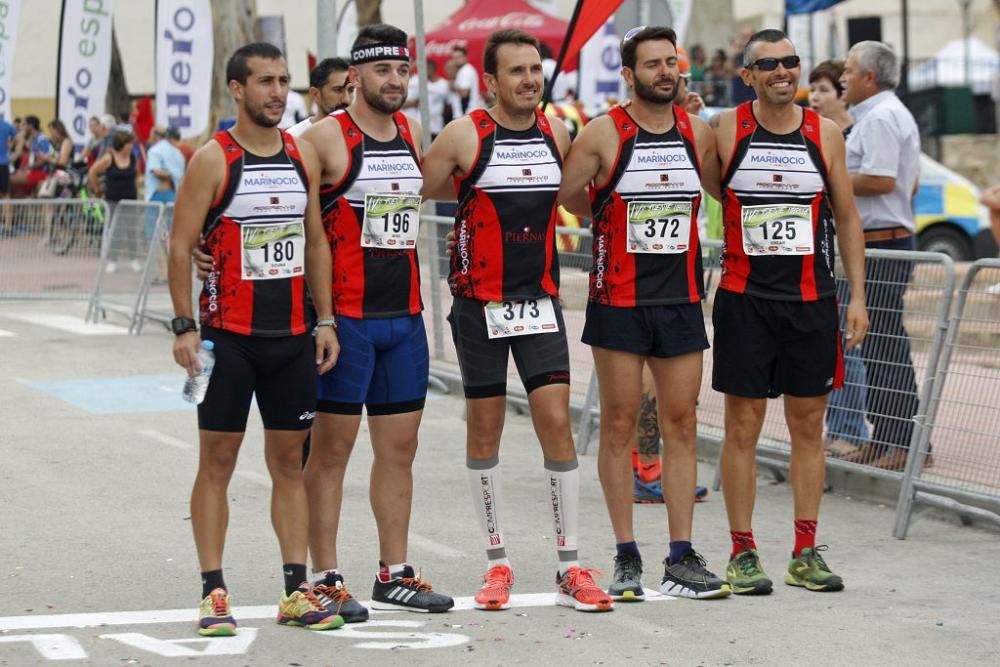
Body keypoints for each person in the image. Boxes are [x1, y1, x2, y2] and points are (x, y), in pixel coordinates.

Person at [422, 28, 613, 613]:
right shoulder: (463, 135)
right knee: (485, 431)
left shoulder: (557, 132)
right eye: (517, 71)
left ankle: (569, 564)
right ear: (491, 81)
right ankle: (497, 562)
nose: (530, 80)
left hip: (538, 301)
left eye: (536, 69)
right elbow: (406, 195)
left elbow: (582, 199)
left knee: (556, 422)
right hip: (479, 304)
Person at [167, 41, 341, 637]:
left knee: (289, 464)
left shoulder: (301, 154)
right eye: (264, 81)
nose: (277, 92)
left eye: (284, 80)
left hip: (291, 335)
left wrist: (325, 320)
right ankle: (214, 590)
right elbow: (179, 243)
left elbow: (314, 240)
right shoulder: (213, 159)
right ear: (237, 89)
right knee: (216, 461)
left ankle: (296, 591)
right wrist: (183, 326)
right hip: (226, 339)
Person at [557, 25, 728, 601]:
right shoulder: (603, 132)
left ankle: (680, 554)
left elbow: (723, 189)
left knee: (683, 424)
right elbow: (566, 195)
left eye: (670, 63)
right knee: (621, 425)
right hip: (619, 301)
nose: (664, 73)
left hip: (679, 298)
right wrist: (604, 213)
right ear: (629, 74)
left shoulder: (696, 132)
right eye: (651, 64)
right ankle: (626, 552)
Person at [299, 24, 454, 618]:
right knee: (331, 452)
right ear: (355, 76)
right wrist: (323, 320)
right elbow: (282, 211)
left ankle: (395, 571)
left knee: (400, 450)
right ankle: (325, 576)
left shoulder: (412, 132)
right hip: (347, 321)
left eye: (402, 71)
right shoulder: (324, 139)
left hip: (404, 319)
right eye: (382, 71)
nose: (395, 81)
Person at [712, 29, 868, 594]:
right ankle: (742, 551)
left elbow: (847, 217)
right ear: (748, 75)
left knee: (809, 427)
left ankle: (805, 551)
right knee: (743, 426)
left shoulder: (824, 132)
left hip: (812, 301)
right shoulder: (727, 128)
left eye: (791, 62)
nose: (783, 71)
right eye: (768, 64)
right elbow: (706, 188)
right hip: (745, 299)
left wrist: (858, 297)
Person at [839, 41, 921, 472]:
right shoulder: (878, 116)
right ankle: (886, 435)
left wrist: (833, 178)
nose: (842, 79)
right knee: (873, 342)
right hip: (878, 240)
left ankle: (905, 439)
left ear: (869, 77)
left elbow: (883, 180)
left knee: (886, 341)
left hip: (883, 242)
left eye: (849, 71)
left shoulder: (882, 118)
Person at [807, 60, 870, 461]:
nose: (815, 97)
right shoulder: (810, 134)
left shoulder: (848, 136)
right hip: (815, 255)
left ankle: (849, 428)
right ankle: (834, 427)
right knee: (827, 347)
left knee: (849, 345)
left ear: (841, 94)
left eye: (824, 90)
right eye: (812, 89)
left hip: (842, 253)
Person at [89, 128, 141, 272]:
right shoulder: (109, 157)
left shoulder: (133, 158)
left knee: (131, 230)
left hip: (130, 198)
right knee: (115, 230)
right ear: (122, 144)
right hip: (113, 199)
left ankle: (134, 259)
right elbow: (93, 171)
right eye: (129, 144)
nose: (131, 147)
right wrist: (97, 189)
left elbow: (136, 175)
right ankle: (112, 259)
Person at [288, 57, 353, 137]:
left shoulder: (364, 133)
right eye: (338, 90)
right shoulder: (295, 137)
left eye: (351, 90)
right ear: (315, 94)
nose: (346, 99)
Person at [10, 116, 50, 196]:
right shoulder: (33, 139)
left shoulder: (42, 139)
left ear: (30, 126)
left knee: (7, 180)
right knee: (14, 194)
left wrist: (28, 167)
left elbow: (43, 160)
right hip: (32, 172)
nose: (22, 127)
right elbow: (26, 155)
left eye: (24, 125)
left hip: (40, 173)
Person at [449, 44, 482, 114]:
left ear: (465, 57)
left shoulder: (465, 71)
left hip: (468, 112)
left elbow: (464, 93)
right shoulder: (465, 70)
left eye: (459, 57)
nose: (456, 60)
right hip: (469, 111)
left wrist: (453, 88)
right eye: (454, 58)